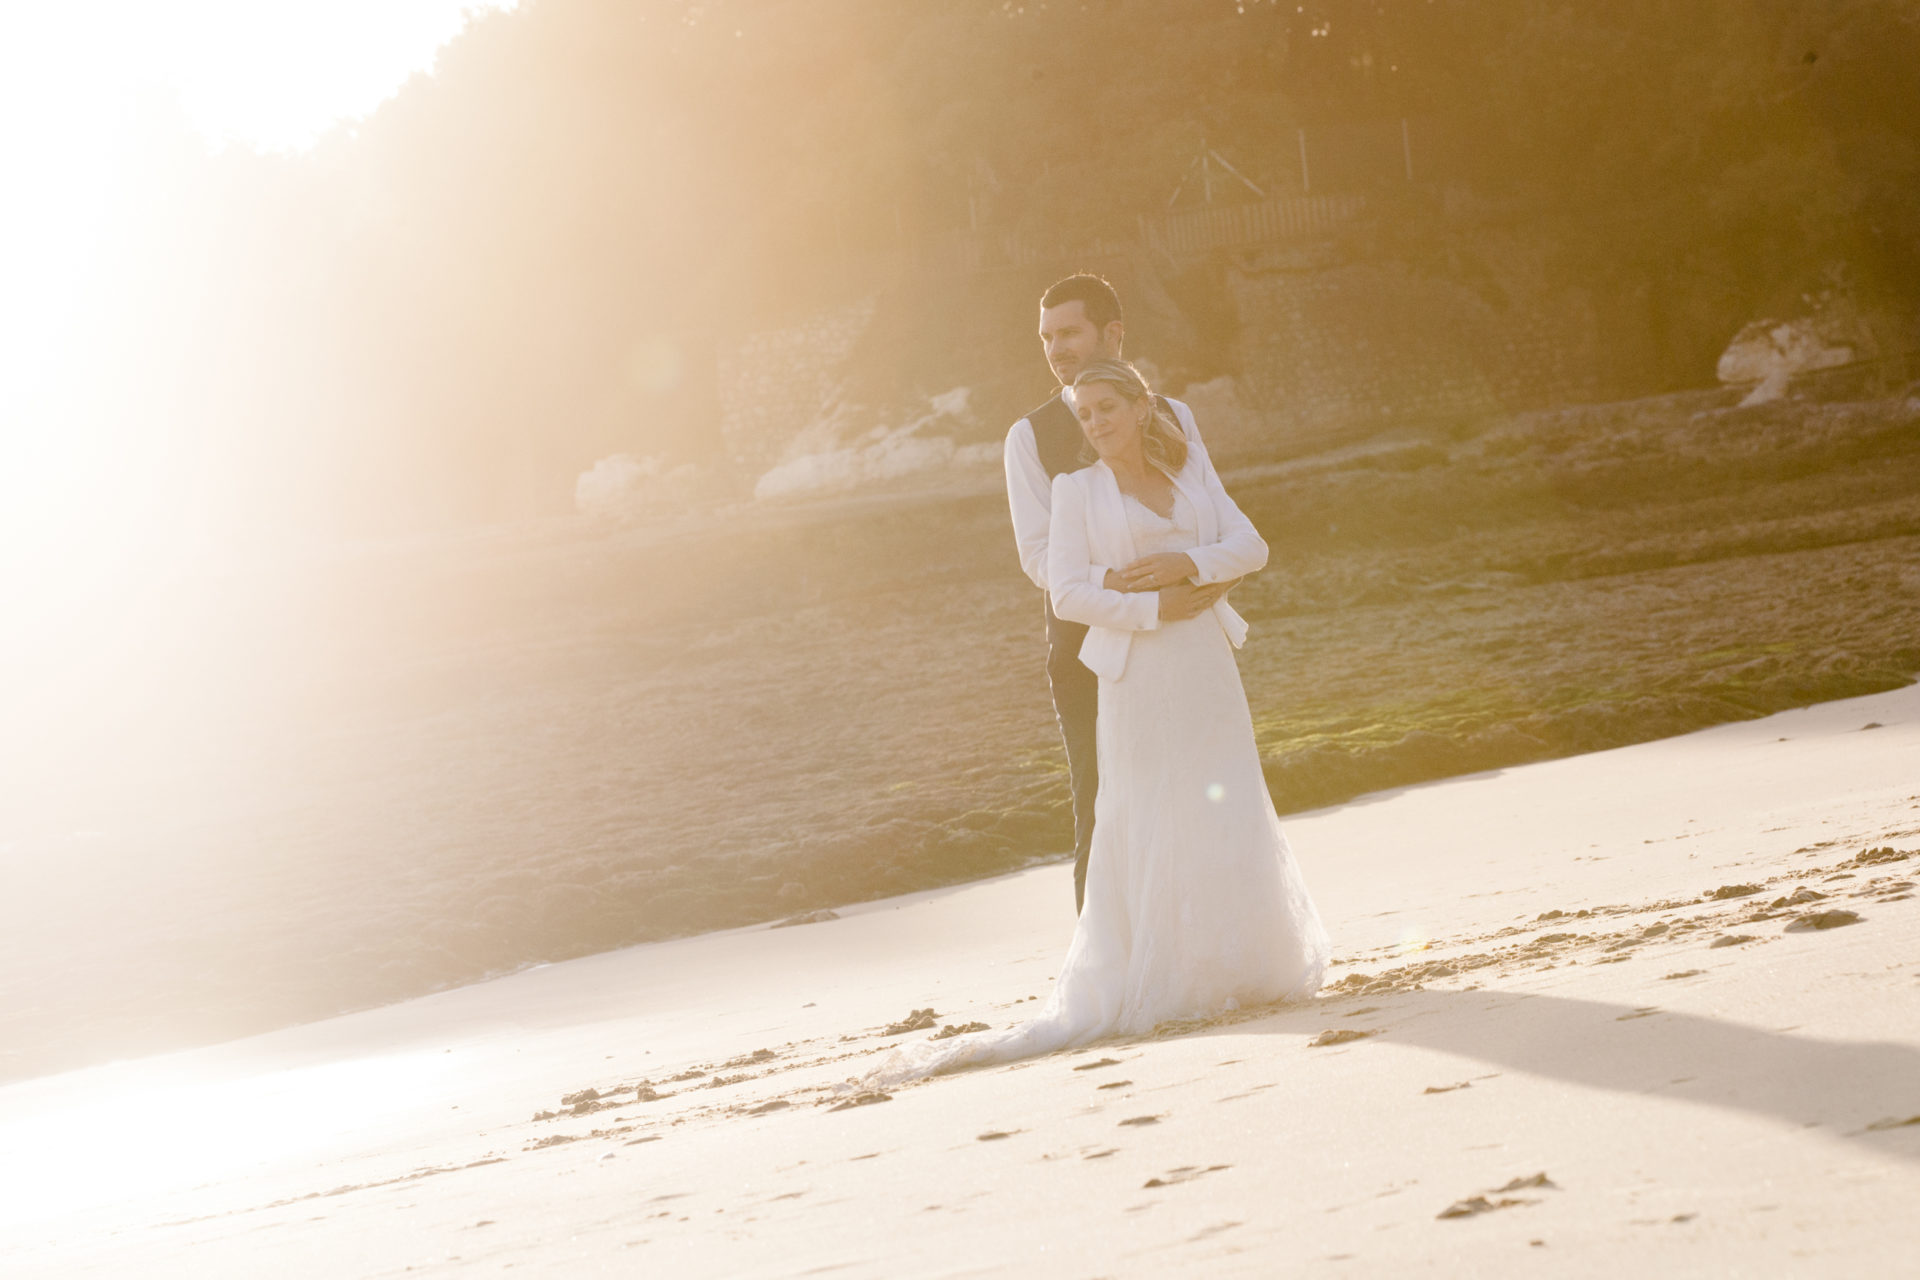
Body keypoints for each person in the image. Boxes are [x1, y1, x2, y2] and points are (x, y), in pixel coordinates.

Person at [864, 359, 1328, 1085]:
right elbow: (1069, 592)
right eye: (1084, 414)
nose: (1096, 422)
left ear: (1142, 407)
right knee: (1148, 810)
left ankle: (1241, 962)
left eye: (1108, 406)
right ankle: (1169, 974)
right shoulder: (1075, 490)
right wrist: (1151, 608)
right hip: (1137, 672)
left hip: (1206, 663)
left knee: (1226, 797)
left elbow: (1252, 546)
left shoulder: (1188, 474)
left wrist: (1191, 564)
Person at [1004, 273, 1233, 913]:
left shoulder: (1174, 416)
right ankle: (1104, 968)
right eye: (1046, 337)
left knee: (1199, 788)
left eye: (1069, 332)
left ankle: (1198, 944)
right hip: (1090, 649)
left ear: (1113, 333)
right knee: (1106, 803)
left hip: (1187, 640)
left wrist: (1194, 577)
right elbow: (1038, 557)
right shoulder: (1029, 437)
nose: (1056, 348)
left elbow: (1210, 519)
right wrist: (1136, 588)